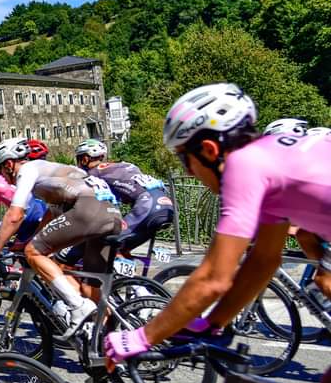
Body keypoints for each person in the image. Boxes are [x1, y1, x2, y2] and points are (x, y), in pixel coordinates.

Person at [105, 83, 331, 354]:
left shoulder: (243, 165)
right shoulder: (271, 158)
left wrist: (140, 338)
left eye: (184, 160)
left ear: (210, 150)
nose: (188, 173)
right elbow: (264, 260)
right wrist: (214, 323)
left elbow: (213, 278)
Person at [0, 138, 122, 336]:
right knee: (91, 287)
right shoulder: (56, 169)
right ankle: (108, 335)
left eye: (1, 169)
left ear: (9, 164)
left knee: (34, 253)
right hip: (112, 213)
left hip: (88, 210)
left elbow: (15, 215)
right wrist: (33, 239)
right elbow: (51, 214)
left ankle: (77, 306)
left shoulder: (27, 171)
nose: (3, 176)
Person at [72, 138, 174, 260]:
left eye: (78, 159)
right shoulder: (125, 165)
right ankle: (128, 278)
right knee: (123, 247)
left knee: (105, 243)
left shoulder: (93, 173)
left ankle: (114, 274)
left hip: (146, 205)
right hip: (166, 205)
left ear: (85, 159)